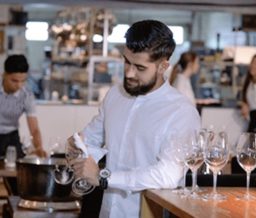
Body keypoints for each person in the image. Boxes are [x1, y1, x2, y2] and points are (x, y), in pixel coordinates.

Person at [69, 20, 201, 218]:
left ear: (163, 66)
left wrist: (104, 178)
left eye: (140, 67)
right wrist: (79, 148)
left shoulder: (181, 112)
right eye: (127, 62)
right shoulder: (115, 95)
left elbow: (167, 174)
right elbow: (92, 139)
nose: (129, 73)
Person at [0, 54, 47, 158]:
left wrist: (39, 147)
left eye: (23, 81)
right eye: (14, 81)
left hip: (11, 137)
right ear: (4, 75)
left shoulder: (27, 95)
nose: (19, 85)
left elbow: (34, 129)